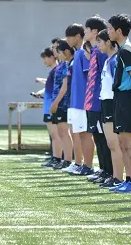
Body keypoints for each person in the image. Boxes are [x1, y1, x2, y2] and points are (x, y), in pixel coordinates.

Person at [107, 14, 131, 194]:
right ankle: (128, 179)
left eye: (111, 29)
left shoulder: (126, 51)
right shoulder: (121, 50)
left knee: (127, 143)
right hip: (119, 97)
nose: (108, 32)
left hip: (126, 98)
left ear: (119, 31)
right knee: (122, 143)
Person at [83, 16, 113, 183]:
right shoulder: (94, 50)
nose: (85, 33)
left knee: (103, 138)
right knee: (97, 136)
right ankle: (103, 169)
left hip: (98, 101)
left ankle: (108, 171)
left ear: (95, 31)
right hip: (90, 101)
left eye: (87, 30)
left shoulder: (101, 52)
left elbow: (104, 77)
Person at [96, 29, 124, 188]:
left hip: (113, 103)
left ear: (108, 42)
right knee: (111, 144)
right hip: (105, 102)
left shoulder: (115, 60)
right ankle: (115, 176)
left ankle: (119, 178)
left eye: (100, 41)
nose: (98, 45)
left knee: (115, 144)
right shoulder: (108, 60)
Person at [65, 25, 93, 175]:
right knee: (79, 133)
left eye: (69, 36)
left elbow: (90, 77)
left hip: (83, 101)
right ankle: (80, 164)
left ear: (77, 36)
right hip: (75, 100)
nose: (67, 39)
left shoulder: (83, 53)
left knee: (85, 134)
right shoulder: (77, 54)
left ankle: (87, 166)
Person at [51, 40, 76, 170]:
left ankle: (67, 160)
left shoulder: (66, 65)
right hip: (59, 102)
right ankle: (64, 159)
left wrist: (56, 103)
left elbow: (65, 86)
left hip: (63, 103)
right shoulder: (62, 64)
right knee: (61, 132)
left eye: (58, 50)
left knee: (64, 132)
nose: (56, 53)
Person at [39, 46, 63, 168]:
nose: (44, 61)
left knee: (55, 135)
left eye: (45, 58)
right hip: (48, 106)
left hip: (52, 108)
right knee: (54, 135)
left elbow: (58, 90)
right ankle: (55, 157)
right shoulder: (53, 71)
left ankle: (58, 158)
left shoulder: (56, 70)